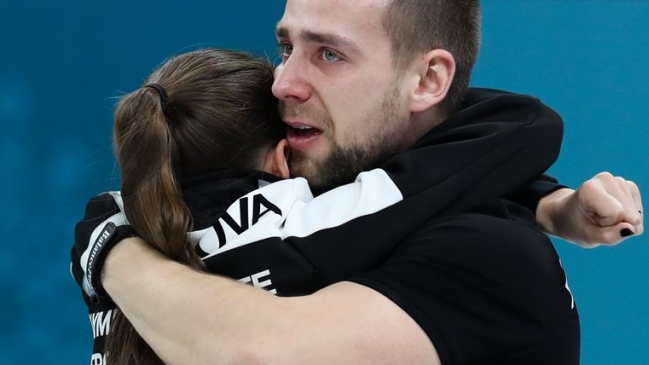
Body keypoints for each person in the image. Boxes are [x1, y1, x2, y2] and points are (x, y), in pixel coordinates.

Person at [72, 1, 644, 364]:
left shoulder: (489, 249)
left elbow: (256, 354)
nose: (283, 82)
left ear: (428, 79)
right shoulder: (310, 209)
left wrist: (113, 252)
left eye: (328, 54)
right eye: (286, 47)